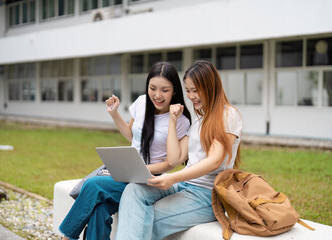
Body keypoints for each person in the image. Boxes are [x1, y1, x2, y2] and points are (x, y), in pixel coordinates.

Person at [59, 61, 191, 240]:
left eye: (164, 90)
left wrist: (140, 171)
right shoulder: (142, 102)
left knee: (93, 185)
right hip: (127, 172)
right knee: (100, 209)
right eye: (152, 88)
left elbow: (171, 163)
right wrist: (114, 114)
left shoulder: (181, 120)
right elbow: (131, 135)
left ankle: (66, 237)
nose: (157, 95)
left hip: (150, 181)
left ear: (175, 90)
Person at [115, 60, 243, 240]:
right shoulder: (199, 120)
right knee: (133, 190)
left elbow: (214, 160)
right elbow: (176, 158)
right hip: (184, 185)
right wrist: (173, 121)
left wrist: (173, 177)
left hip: (207, 195)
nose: (191, 96)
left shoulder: (228, 115)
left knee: (142, 217)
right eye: (188, 90)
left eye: (196, 90)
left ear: (211, 87)